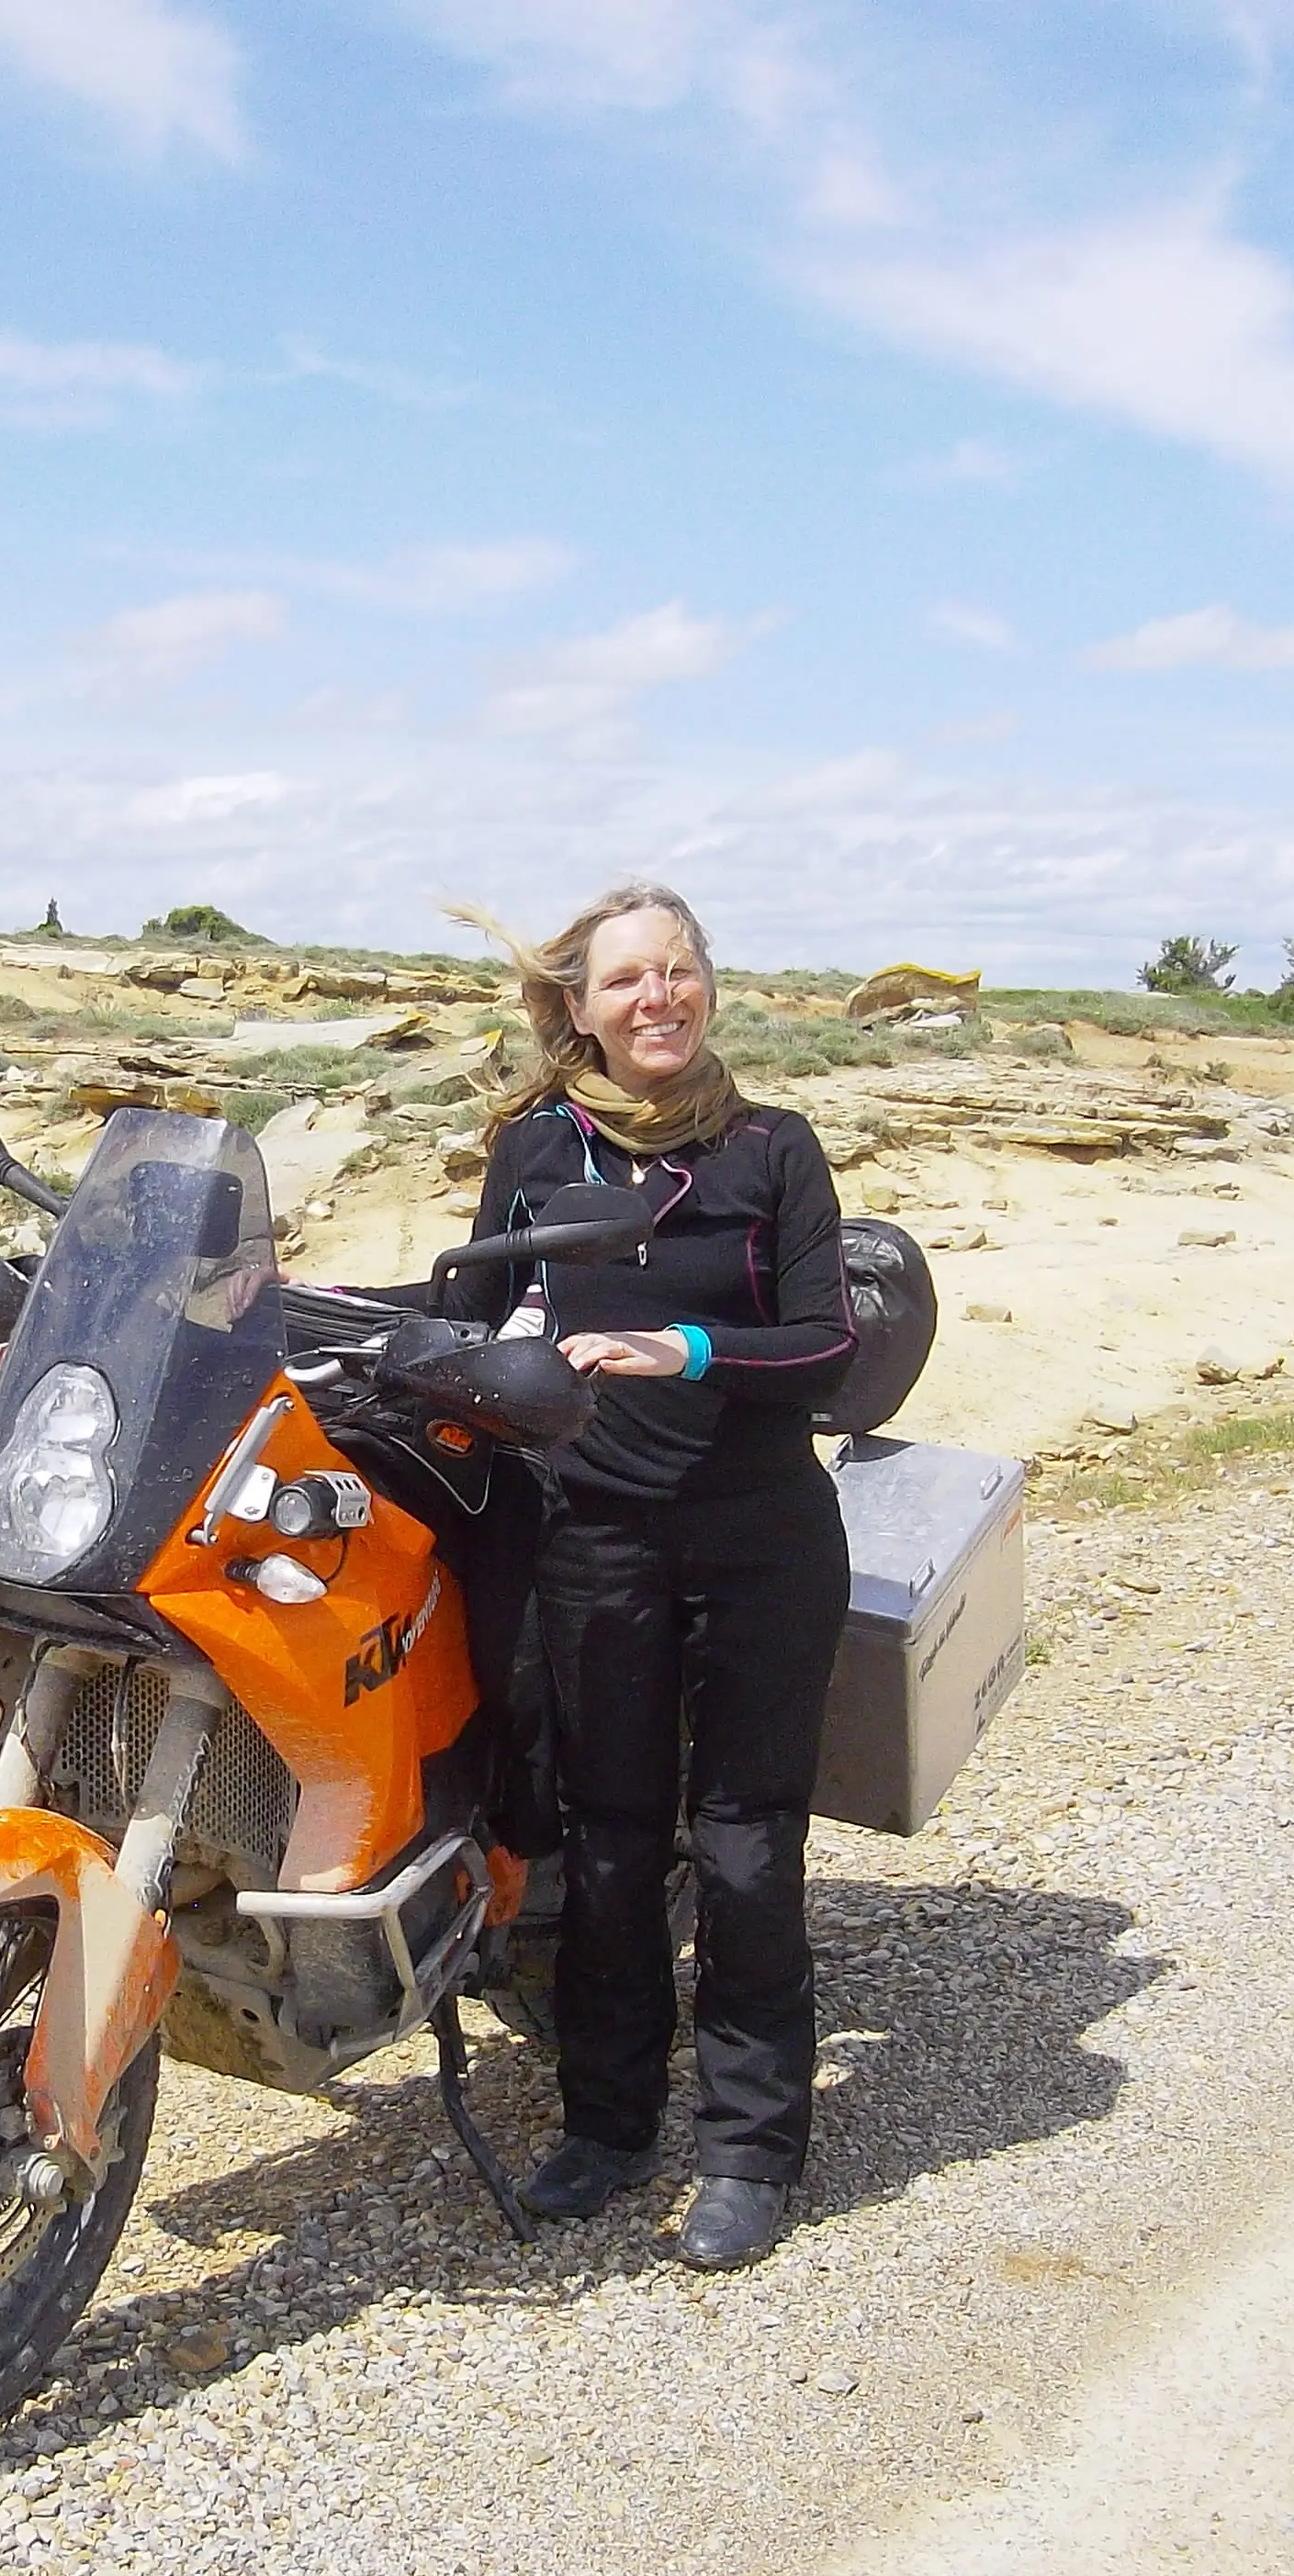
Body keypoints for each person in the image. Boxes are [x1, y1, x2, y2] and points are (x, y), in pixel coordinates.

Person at [437, 880, 854, 2271]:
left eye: (677, 974)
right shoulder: (536, 1148)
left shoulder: (773, 1150)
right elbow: (469, 1316)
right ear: (578, 1009)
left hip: (759, 1534)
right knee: (609, 1846)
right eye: (626, 982)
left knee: (742, 1842)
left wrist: (688, 1350)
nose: (656, 1000)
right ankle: (609, 2128)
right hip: (596, 1535)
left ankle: (749, 2144)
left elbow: (828, 1348)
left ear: (708, 989)